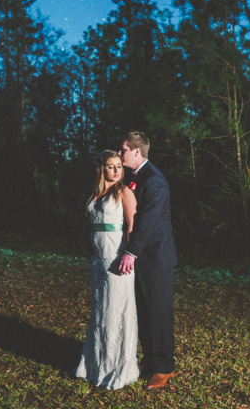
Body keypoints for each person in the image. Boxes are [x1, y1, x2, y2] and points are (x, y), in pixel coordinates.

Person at [117, 131, 177, 390]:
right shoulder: (136, 177)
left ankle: (164, 369)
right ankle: (151, 360)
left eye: (123, 150)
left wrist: (131, 252)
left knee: (159, 314)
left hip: (157, 258)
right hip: (142, 257)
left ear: (136, 152)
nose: (121, 154)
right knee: (143, 312)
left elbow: (149, 222)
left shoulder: (155, 181)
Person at [75, 150, 140, 390]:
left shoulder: (125, 192)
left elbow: (132, 226)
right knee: (101, 309)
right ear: (102, 168)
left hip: (117, 259)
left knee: (116, 309)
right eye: (110, 167)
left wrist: (129, 255)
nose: (115, 171)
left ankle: (117, 366)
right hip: (98, 261)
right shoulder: (95, 193)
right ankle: (96, 364)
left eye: (118, 166)